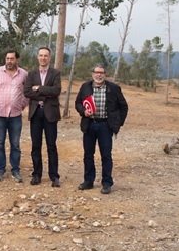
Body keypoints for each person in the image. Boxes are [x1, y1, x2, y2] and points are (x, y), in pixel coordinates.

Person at [75, 63, 128, 194]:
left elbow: (123, 107)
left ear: (105, 74)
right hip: (89, 124)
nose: (99, 75)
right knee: (88, 155)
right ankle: (88, 181)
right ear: (92, 74)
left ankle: (106, 183)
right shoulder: (85, 87)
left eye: (101, 72)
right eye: (96, 72)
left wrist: (118, 123)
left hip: (105, 126)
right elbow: (78, 103)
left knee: (106, 155)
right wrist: (83, 111)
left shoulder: (114, 88)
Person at [0, 49, 29, 183]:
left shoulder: (23, 74)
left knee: (15, 144)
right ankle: (0, 169)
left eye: (12, 59)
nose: (9, 61)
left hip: (15, 114)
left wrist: (23, 104)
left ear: (17, 59)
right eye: (7, 59)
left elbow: (27, 91)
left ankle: (15, 170)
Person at [23, 47, 62, 187]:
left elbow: (56, 91)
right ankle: (37, 174)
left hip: (50, 113)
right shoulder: (31, 74)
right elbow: (27, 92)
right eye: (41, 55)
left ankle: (54, 176)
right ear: (37, 57)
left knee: (51, 146)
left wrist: (38, 88)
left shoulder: (55, 73)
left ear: (49, 58)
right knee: (36, 145)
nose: (43, 58)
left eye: (45, 56)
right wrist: (46, 93)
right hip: (36, 113)